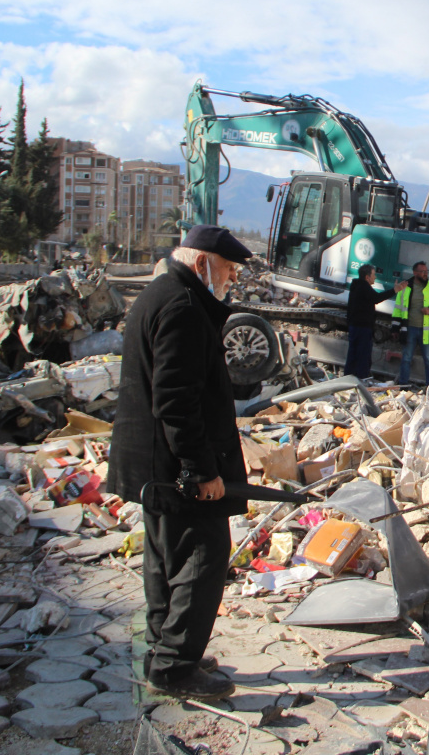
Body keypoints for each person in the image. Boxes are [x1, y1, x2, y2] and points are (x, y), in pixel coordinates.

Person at [106, 224, 252, 701]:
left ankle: (163, 650)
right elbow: (175, 399)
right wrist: (201, 470)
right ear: (201, 262)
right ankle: (175, 668)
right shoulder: (185, 309)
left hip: (154, 464)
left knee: (164, 560)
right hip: (175, 468)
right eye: (227, 269)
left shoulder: (160, 293)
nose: (230, 278)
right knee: (201, 560)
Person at [345, 265, 406, 379]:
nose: (375, 277)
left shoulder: (356, 286)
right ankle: (360, 379)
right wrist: (394, 290)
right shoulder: (364, 287)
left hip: (355, 325)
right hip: (362, 327)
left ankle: (349, 377)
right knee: (363, 355)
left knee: (353, 354)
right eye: (373, 274)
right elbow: (377, 298)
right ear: (367, 277)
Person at [393, 261, 429, 387]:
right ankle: (403, 385)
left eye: (426, 271)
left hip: (427, 331)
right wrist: (395, 328)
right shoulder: (405, 287)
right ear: (415, 273)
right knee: (406, 358)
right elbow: (397, 309)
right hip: (409, 329)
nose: (425, 274)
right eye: (422, 272)